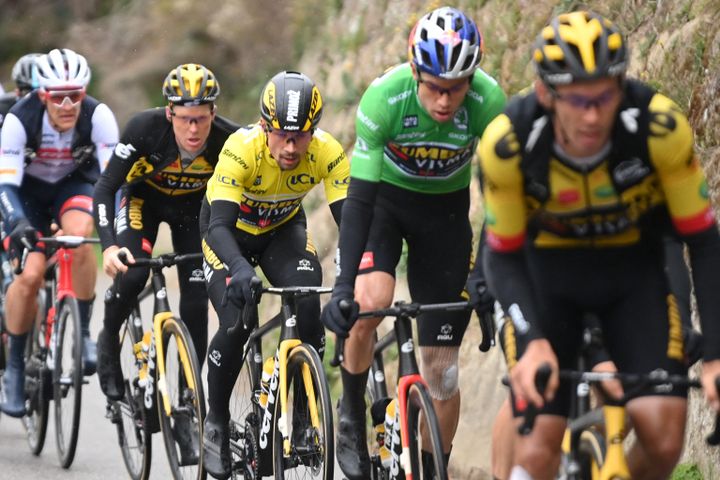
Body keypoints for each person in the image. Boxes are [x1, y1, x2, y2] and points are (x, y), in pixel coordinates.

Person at [477, 11, 720, 480]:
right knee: (536, 448)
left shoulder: (659, 128)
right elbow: (501, 253)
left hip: (632, 276)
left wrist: (715, 353)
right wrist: (529, 340)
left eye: (605, 96)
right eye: (578, 100)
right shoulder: (508, 143)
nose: (592, 115)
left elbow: (704, 242)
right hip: (544, 279)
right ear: (547, 94)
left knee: (665, 436)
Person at [319, 6, 506, 479]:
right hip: (385, 207)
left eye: (456, 88)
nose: (445, 101)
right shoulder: (385, 97)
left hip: (445, 217)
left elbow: (504, 195)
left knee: (442, 372)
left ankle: (429, 467)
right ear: (416, 71)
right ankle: (351, 410)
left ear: (472, 79)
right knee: (369, 302)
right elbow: (358, 200)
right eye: (435, 87)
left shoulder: (489, 103)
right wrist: (343, 285)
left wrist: (486, 273)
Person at [200, 70, 349, 479]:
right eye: (281, 134)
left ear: (313, 133)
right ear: (264, 127)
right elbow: (218, 226)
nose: (290, 145)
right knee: (235, 320)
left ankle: (302, 410)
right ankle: (214, 421)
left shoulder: (327, 152)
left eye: (300, 135)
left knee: (307, 302)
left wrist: (353, 272)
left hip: (282, 231)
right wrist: (238, 269)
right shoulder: (240, 149)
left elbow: (350, 222)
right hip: (228, 235)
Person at [93, 63, 237, 464]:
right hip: (143, 202)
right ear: (169, 112)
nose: (194, 130)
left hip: (194, 213)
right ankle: (108, 335)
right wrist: (108, 247)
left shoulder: (228, 138)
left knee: (195, 297)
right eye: (186, 119)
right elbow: (105, 188)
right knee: (134, 271)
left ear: (213, 114)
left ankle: (188, 403)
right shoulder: (144, 128)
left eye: (202, 119)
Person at [0, 48, 119, 417]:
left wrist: (116, 228)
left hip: (74, 187)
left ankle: (82, 333)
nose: (67, 105)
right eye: (58, 97)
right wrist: (18, 223)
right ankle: (15, 369)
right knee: (30, 275)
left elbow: (114, 181)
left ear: (85, 93)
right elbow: (5, 186)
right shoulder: (20, 120)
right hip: (27, 196)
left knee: (81, 237)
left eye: (76, 96)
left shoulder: (99, 116)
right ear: (42, 95)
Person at [0, 53, 42, 128]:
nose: (36, 98)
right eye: (28, 92)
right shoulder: (3, 108)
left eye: (41, 91)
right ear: (17, 92)